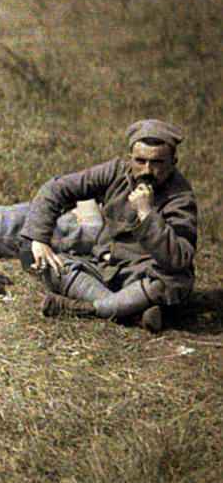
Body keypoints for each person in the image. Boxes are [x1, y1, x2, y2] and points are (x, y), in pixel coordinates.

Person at [21, 119, 197, 333]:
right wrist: (39, 239)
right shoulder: (115, 172)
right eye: (140, 161)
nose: (147, 170)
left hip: (144, 276)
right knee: (38, 258)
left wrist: (147, 214)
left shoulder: (181, 197)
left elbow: (178, 259)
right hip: (106, 268)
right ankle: (130, 312)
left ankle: (87, 309)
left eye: (157, 162)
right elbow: (56, 188)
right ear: (129, 158)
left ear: (173, 162)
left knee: (177, 280)